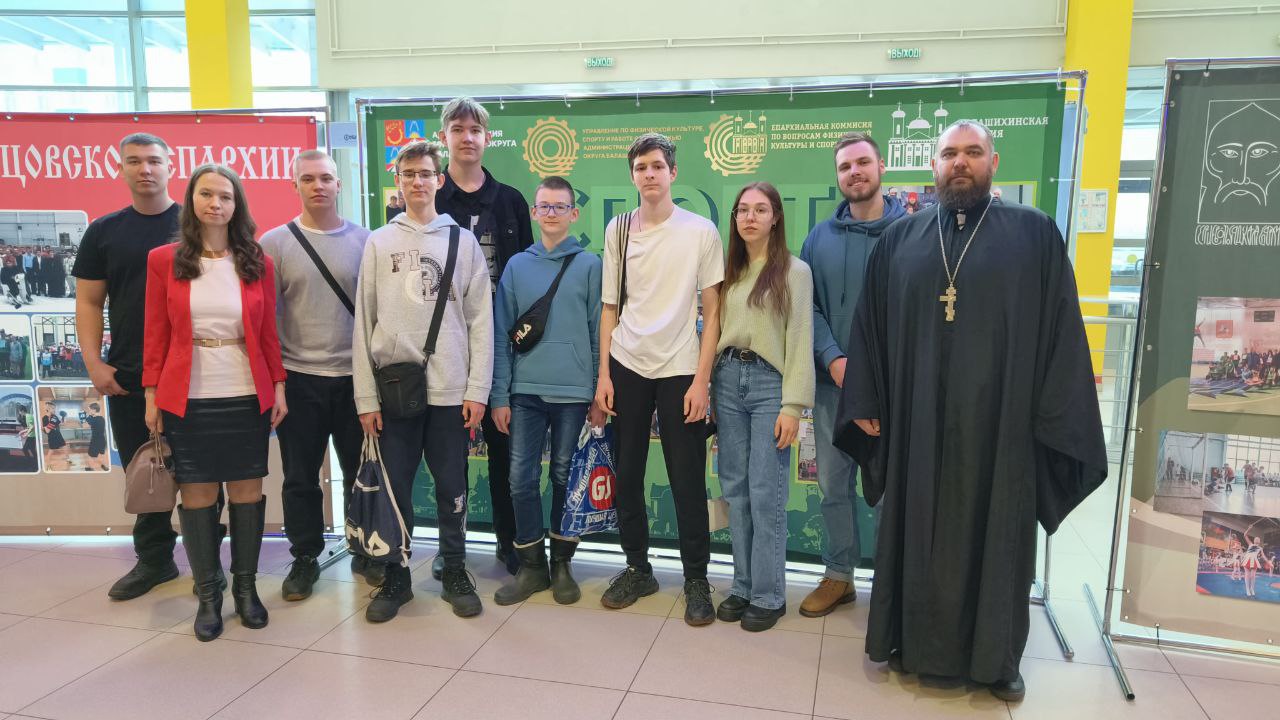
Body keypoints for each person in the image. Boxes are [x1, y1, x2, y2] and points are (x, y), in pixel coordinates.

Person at [834, 120, 1107, 701]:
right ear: (933, 166)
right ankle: (908, 642)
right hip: (916, 423)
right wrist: (867, 400)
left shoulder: (1034, 234)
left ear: (993, 162)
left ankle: (997, 660)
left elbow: (1061, 332)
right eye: (950, 153)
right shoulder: (901, 240)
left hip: (1001, 428)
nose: (960, 162)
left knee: (998, 533)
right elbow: (870, 329)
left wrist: (1049, 416)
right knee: (915, 526)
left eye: (973, 152)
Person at [143, 163, 288, 642]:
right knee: (198, 494)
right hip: (188, 397)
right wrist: (151, 394)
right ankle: (209, 594)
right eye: (206, 194)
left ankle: (246, 590)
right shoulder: (164, 260)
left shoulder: (256, 261)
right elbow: (155, 334)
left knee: (247, 492)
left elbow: (267, 333)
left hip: (246, 392)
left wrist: (279, 385)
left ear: (236, 205)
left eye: (225, 196)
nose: (215, 204)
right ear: (191, 200)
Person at [352, 139, 493, 622]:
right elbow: (363, 321)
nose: (417, 181)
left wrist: (477, 389)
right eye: (409, 173)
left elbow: (480, 321)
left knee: (452, 486)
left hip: (451, 391)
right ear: (398, 180)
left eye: (426, 173)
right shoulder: (378, 242)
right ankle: (396, 574)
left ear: (440, 180)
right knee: (395, 487)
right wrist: (365, 398)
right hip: (393, 391)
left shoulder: (462, 241)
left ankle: (454, 569)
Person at [595, 133, 724, 625]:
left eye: (656, 166)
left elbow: (713, 311)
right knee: (627, 476)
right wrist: (603, 375)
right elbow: (610, 307)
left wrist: (701, 381)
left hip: (681, 369)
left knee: (686, 479)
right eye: (640, 167)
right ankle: (638, 569)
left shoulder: (700, 231)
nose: (648, 174)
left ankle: (696, 580)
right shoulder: (618, 229)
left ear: (673, 173)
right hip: (627, 362)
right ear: (632, 176)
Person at [74, 132, 204, 601]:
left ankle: (207, 565)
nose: (145, 169)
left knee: (202, 474)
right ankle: (154, 561)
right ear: (121, 168)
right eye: (134, 161)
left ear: (171, 166)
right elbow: (89, 302)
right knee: (144, 471)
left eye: (153, 160)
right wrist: (94, 362)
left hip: (196, 373)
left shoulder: (196, 226)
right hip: (129, 373)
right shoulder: (104, 232)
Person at [797, 132, 905, 618]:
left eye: (862, 162)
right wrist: (834, 359)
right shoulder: (819, 238)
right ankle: (839, 576)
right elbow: (809, 308)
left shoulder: (913, 233)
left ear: (881, 167)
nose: (854, 172)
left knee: (886, 490)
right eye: (845, 167)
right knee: (833, 487)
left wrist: (877, 374)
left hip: (890, 391)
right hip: (832, 386)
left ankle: (890, 584)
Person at [260, 149, 371, 600]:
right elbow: (266, 321)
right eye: (308, 179)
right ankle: (305, 557)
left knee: (361, 472)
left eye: (326, 177)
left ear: (339, 184)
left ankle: (364, 547)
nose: (318, 185)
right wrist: (277, 384)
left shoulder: (366, 241)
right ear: (295, 186)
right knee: (300, 477)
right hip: (299, 378)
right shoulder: (274, 244)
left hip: (354, 378)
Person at [490, 176, 604, 607]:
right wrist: (500, 396)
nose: (551, 213)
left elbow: (599, 333)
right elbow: (501, 335)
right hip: (525, 393)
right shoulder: (517, 266)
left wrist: (598, 391)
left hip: (574, 393)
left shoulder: (590, 265)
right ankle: (532, 566)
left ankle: (561, 564)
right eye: (544, 206)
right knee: (520, 478)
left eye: (560, 206)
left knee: (563, 477)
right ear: (534, 213)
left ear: (574, 213)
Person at [433, 97, 534, 578]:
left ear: (488, 138)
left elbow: (527, 275)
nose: (467, 137)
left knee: (503, 450)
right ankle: (449, 548)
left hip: (502, 346)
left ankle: (508, 541)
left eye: (475, 129)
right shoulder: (429, 198)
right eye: (458, 129)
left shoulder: (511, 201)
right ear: (444, 138)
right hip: (445, 345)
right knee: (446, 455)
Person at [712, 182, 814, 632]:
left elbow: (801, 338)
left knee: (765, 490)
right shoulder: (729, 271)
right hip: (727, 379)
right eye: (742, 210)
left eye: (760, 210)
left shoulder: (795, 271)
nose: (750, 217)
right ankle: (742, 585)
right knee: (735, 490)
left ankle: (769, 595)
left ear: (775, 218)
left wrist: (793, 406)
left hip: (771, 384)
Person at [85, 401, 110, 471]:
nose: (89, 411)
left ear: (94, 410)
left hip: (95, 440)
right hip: (102, 439)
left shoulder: (93, 419)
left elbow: (84, 425)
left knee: (90, 455)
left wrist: (88, 416)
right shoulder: (102, 418)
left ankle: (91, 468)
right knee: (102, 454)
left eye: (90, 410)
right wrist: (90, 416)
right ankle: (104, 466)